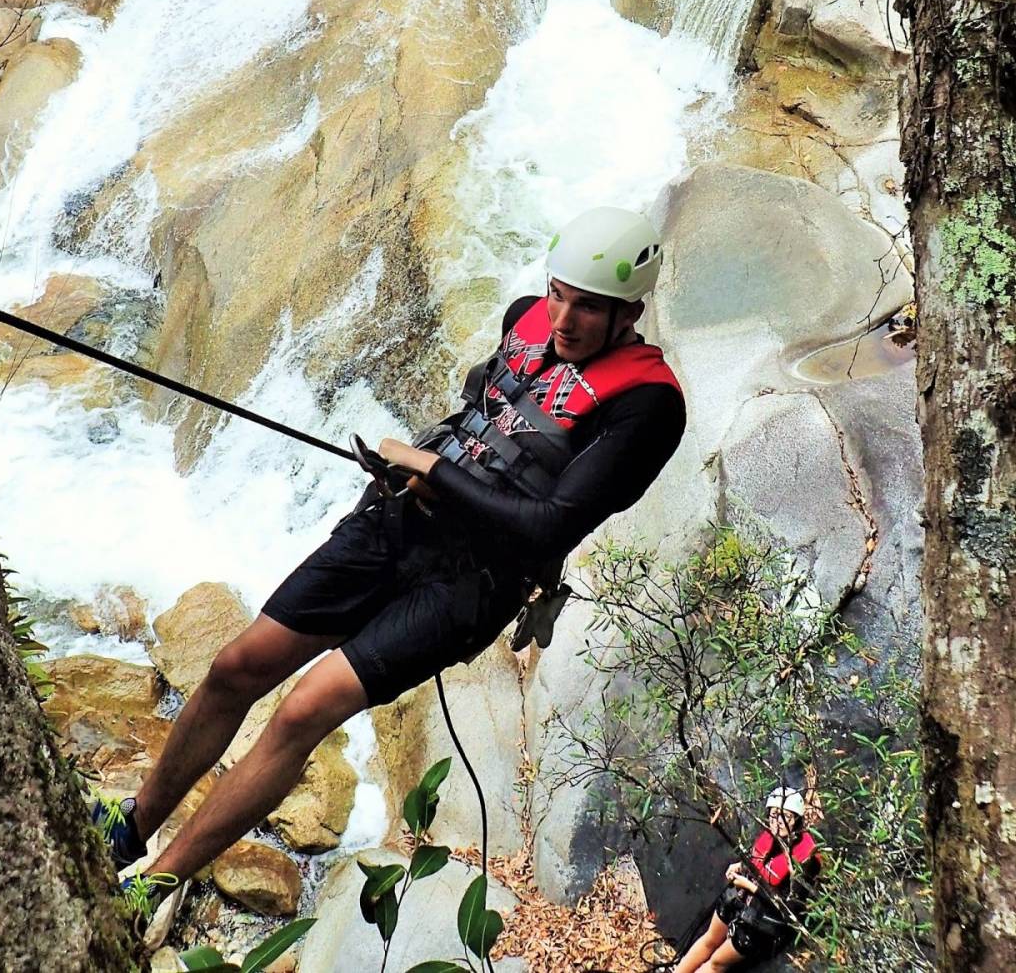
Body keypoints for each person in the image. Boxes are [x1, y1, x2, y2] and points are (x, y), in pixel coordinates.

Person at [95, 206, 687, 938]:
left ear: (630, 312)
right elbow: (485, 415)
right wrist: (416, 469)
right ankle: (129, 825)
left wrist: (427, 463)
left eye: (587, 308)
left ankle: (157, 882)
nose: (562, 319)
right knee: (236, 665)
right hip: (397, 518)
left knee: (307, 706)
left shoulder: (649, 408)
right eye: (558, 294)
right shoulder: (523, 319)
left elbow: (550, 524)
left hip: (469, 585)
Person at [675, 786, 821, 972]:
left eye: (787, 817)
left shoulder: (805, 859)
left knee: (716, 962)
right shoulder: (770, 833)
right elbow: (759, 860)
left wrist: (751, 887)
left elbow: (789, 911)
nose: (779, 822)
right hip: (742, 897)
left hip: (763, 918)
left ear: (797, 820)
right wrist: (741, 866)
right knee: (709, 940)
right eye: (774, 814)